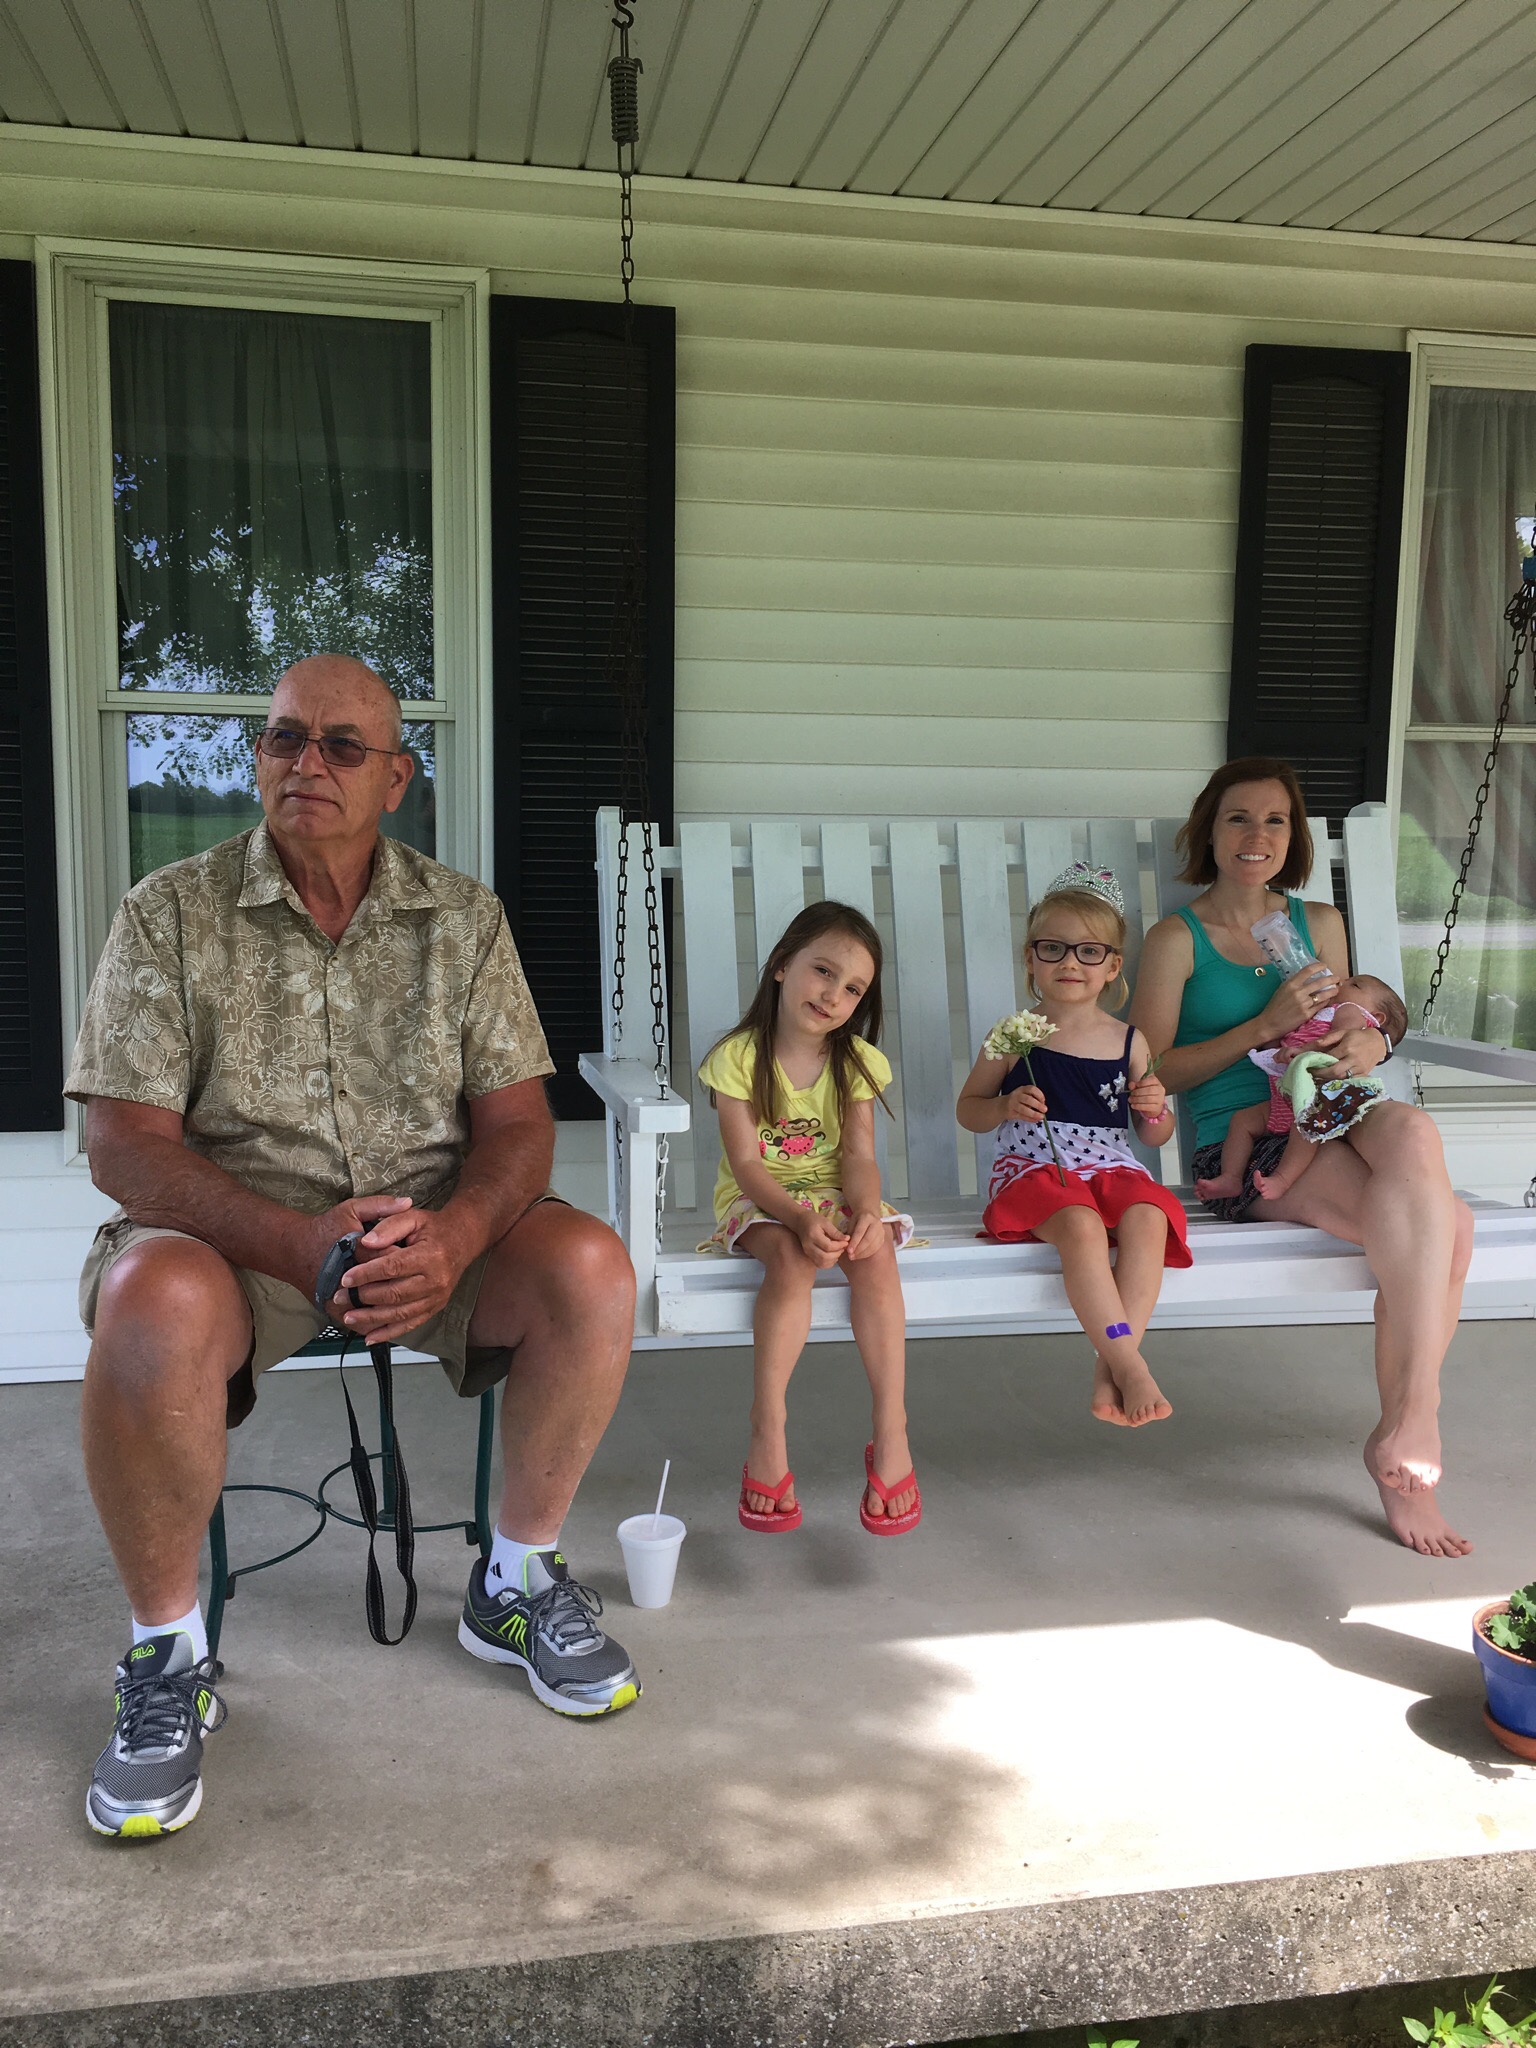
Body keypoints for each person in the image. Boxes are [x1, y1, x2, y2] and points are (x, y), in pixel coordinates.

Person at [69, 654, 643, 1841]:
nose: (307, 762)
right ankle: (166, 1654)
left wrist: (460, 1233)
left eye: (341, 744)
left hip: (435, 1234)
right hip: (239, 1240)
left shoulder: (463, 919)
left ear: (397, 778)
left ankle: (514, 1580)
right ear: (259, 758)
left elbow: (521, 1126)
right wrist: (289, 1239)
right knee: (148, 1296)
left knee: (590, 1264)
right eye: (284, 737)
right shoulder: (169, 913)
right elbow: (122, 1144)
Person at [1131, 757, 1475, 1558]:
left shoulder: (1317, 922)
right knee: (1450, 1226)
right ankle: (1410, 1450)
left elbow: (1356, 1019)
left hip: (1335, 1109)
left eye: (1275, 820)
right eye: (1238, 818)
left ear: (1293, 838)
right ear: (1209, 831)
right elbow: (1149, 1071)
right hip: (1247, 1138)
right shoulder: (1176, 940)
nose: (1257, 835)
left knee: (1415, 1134)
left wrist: (1370, 1042)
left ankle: (1410, 1417)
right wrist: (1261, 1026)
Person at [698, 902, 919, 1536]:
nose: (833, 995)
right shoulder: (739, 1057)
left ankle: (892, 1428)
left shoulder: (856, 1061)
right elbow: (747, 1164)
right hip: (762, 1200)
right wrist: (797, 1217)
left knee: (875, 1252)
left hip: (833, 1192)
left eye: (853, 989)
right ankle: (767, 1426)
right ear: (780, 966)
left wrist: (868, 1211)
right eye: (823, 971)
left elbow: (857, 1157)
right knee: (794, 1259)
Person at [957, 863, 1186, 1428]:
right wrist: (1004, 1107)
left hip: (1110, 1166)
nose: (1070, 963)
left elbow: (1153, 1134)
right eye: (1053, 948)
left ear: (1112, 966)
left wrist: (1155, 1107)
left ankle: (1113, 1363)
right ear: (1031, 958)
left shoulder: (1129, 1040)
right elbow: (969, 1110)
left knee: (1150, 1215)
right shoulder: (1014, 1035)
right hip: (1035, 1168)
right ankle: (1130, 1366)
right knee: (1081, 1226)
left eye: (1089, 952)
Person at [1194, 974, 1408, 1205]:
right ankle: (1231, 1177)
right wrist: (1276, 1047)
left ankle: (1282, 1179)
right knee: (1243, 1121)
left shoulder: (1350, 1011)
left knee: (1304, 1129)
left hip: (1316, 1098)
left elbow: (1334, 1041)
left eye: (1354, 985)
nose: (1341, 983)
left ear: (1376, 1016)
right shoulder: (1319, 1012)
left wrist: (1303, 1050)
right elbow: (1285, 1037)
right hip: (1286, 1095)